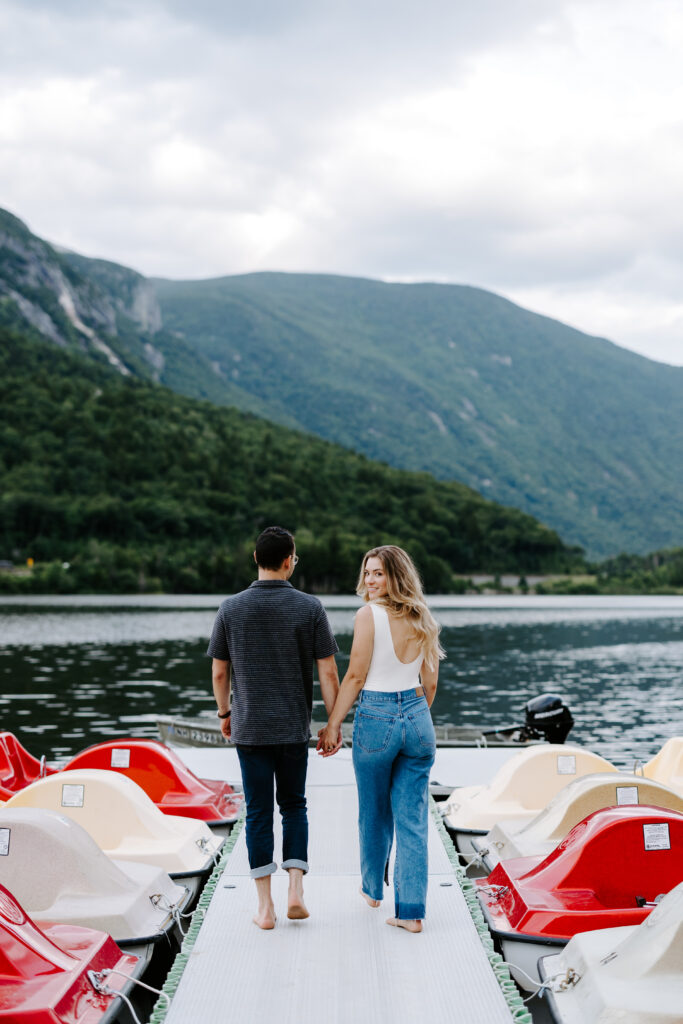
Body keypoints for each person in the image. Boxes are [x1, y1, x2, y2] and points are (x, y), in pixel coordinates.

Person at [208, 526, 341, 929]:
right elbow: (329, 671)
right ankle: (295, 890)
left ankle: (265, 907)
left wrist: (224, 714)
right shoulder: (310, 607)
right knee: (294, 806)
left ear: (255, 559)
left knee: (259, 813)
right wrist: (332, 724)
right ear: (289, 560)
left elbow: (219, 672)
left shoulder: (230, 608)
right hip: (291, 728)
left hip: (249, 728)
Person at [317, 545, 444, 933]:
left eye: (378, 574)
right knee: (413, 820)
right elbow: (431, 681)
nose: (370, 581)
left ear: (395, 577)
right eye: (368, 573)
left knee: (373, 812)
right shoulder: (423, 615)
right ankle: (411, 912)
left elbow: (354, 676)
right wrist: (417, 714)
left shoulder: (368, 615)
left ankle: (373, 890)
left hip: (377, 716)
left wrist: (333, 724)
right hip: (418, 718)